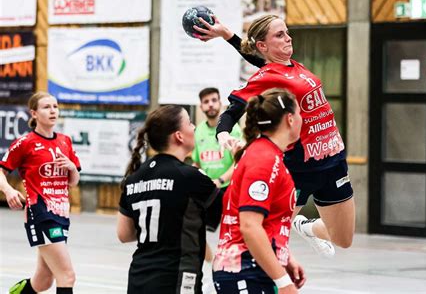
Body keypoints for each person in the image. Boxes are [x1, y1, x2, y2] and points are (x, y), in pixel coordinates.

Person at [194, 14, 355, 256]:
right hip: (298, 169)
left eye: (287, 32)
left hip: (333, 163)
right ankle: (227, 274)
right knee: (262, 237)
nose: (288, 38)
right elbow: (233, 110)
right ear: (263, 45)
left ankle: (307, 228)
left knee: (343, 239)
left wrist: (227, 35)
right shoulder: (265, 77)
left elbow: (261, 57)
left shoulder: (294, 67)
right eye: (280, 35)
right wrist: (222, 134)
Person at [116, 105, 219, 294]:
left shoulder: (134, 178)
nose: (194, 127)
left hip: (139, 279)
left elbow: (124, 234)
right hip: (176, 280)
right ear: (179, 136)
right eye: (189, 122)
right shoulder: (191, 177)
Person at [212, 89, 306, 294]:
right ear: (290, 119)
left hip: (253, 269)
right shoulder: (264, 159)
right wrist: (283, 282)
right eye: (299, 113)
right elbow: (249, 225)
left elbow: (268, 222)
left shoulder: (266, 154)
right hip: (245, 270)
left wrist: (284, 256)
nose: (302, 119)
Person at [0, 92, 81, 294]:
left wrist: (71, 167)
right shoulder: (25, 143)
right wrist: (8, 190)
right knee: (67, 275)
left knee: (43, 280)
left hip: (62, 214)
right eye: (47, 107)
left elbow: (73, 183)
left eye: (55, 106)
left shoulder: (65, 141)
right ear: (34, 113)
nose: (53, 110)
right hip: (41, 213)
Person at [192, 87, 242, 262]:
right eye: (206, 102)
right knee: (193, 229)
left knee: (231, 235)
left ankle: (230, 273)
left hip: (229, 189)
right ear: (201, 107)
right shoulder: (198, 131)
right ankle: (214, 266)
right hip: (208, 190)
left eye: (214, 100)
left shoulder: (232, 130)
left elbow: (239, 162)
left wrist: (220, 180)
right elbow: (196, 162)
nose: (211, 104)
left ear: (220, 103)